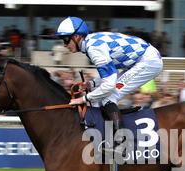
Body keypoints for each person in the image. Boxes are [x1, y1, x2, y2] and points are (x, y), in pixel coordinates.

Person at [56, 16, 163, 153]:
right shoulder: (90, 43)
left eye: (66, 39)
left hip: (147, 62)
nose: (64, 44)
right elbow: (111, 77)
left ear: (77, 37)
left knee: (108, 97)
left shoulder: (94, 49)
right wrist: (91, 84)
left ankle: (122, 142)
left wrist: (83, 99)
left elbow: (109, 86)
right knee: (102, 97)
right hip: (139, 61)